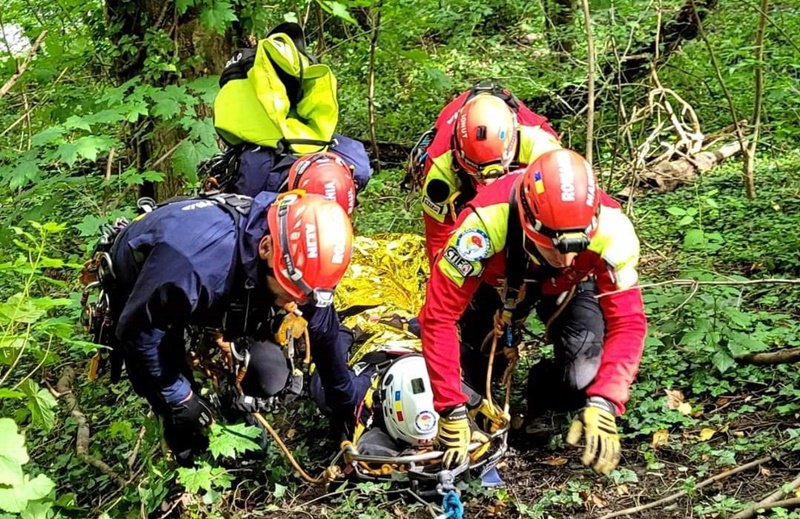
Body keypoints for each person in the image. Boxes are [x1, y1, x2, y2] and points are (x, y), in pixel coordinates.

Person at [417, 149, 648, 474]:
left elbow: (628, 323)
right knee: (475, 375)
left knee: (582, 375)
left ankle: (544, 391)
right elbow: (439, 316)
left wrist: (606, 398)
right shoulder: (482, 225)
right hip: (495, 282)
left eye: (575, 247)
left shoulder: (613, 231)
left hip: (572, 287)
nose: (565, 258)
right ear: (529, 224)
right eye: (553, 246)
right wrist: (450, 406)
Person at [106, 191, 372, 465]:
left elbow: (323, 330)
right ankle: (188, 459)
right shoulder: (192, 267)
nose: (295, 304)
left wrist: (344, 398)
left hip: (228, 285)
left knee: (269, 376)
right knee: (181, 409)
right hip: (152, 281)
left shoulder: (301, 266)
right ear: (266, 248)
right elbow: (137, 336)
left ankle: (230, 401)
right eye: (289, 295)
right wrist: (179, 396)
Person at [411, 82, 562, 263]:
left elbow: (566, 209)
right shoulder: (440, 169)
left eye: (496, 171)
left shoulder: (543, 149)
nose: (490, 183)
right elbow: (438, 237)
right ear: (458, 157)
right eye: (479, 173)